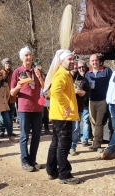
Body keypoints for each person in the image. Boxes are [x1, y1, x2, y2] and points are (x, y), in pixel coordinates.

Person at [45, 49, 80, 184]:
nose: (72, 61)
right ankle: (64, 174)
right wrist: (66, 106)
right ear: (62, 60)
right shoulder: (61, 75)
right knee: (63, 145)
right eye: (69, 59)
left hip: (59, 115)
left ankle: (51, 170)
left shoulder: (64, 74)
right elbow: (56, 91)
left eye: (73, 59)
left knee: (56, 143)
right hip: (63, 115)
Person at [10, 46, 44, 172]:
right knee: (24, 136)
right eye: (26, 55)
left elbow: (45, 88)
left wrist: (39, 76)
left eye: (30, 55)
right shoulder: (17, 72)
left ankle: (32, 160)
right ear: (22, 58)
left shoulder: (37, 71)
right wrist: (19, 86)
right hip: (24, 108)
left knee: (36, 136)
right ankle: (24, 161)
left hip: (37, 108)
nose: (29, 57)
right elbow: (12, 93)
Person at [85, 54, 112, 151]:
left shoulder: (106, 71)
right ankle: (97, 140)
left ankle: (96, 143)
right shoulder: (88, 73)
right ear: (90, 62)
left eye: (96, 60)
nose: (94, 62)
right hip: (91, 100)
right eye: (92, 61)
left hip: (102, 100)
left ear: (99, 61)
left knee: (99, 122)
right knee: (93, 121)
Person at [70, 60, 90, 155]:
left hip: (78, 106)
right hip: (66, 106)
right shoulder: (65, 77)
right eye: (74, 65)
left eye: (76, 66)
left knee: (76, 127)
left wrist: (84, 93)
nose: (75, 67)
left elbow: (88, 93)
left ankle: (72, 147)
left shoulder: (83, 80)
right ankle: (65, 145)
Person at [0, 58, 17, 137]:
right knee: (3, 115)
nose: (8, 65)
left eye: (9, 63)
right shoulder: (1, 73)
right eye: (6, 63)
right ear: (4, 65)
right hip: (3, 98)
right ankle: (1, 131)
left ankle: (10, 131)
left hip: (12, 98)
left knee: (11, 115)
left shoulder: (14, 73)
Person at [77, 60, 91, 146]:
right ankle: (76, 137)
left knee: (85, 121)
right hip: (77, 103)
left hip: (86, 102)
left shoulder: (89, 75)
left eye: (83, 67)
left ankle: (85, 139)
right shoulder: (75, 77)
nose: (81, 69)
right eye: (79, 67)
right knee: (77, 122)